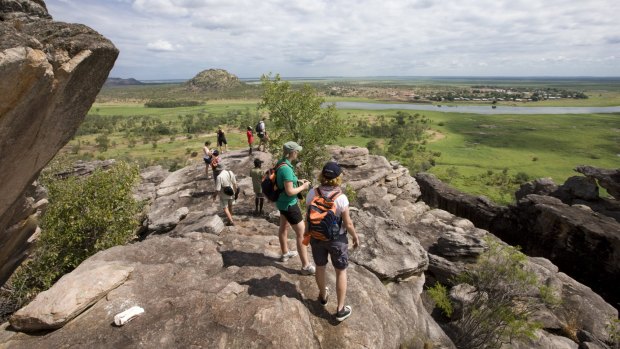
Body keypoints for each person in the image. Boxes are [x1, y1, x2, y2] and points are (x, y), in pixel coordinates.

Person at [305, 161, 360, 322]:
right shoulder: (341, 198)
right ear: (337, 178)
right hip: (337, 240)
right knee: (341, 271)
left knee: (320, 268)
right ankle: (340, 309)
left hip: (317, 237)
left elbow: (308, 217)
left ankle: (323, 296)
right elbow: (348, 223)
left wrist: (308, 235)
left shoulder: (312, 193)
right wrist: (355, 237)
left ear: (322, 175)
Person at [275, 141, 315, 275]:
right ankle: (305, 266)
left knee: (283, 227)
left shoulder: (282, 162)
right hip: (289, 204)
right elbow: (290, 191)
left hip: (281, 203)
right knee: (302, 234)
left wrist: (298, 181)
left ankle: (285, 253)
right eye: (296, 151)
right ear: (292, 152)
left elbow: (285, 183)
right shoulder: (286, 168)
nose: (297, 153)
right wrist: (303, 187)